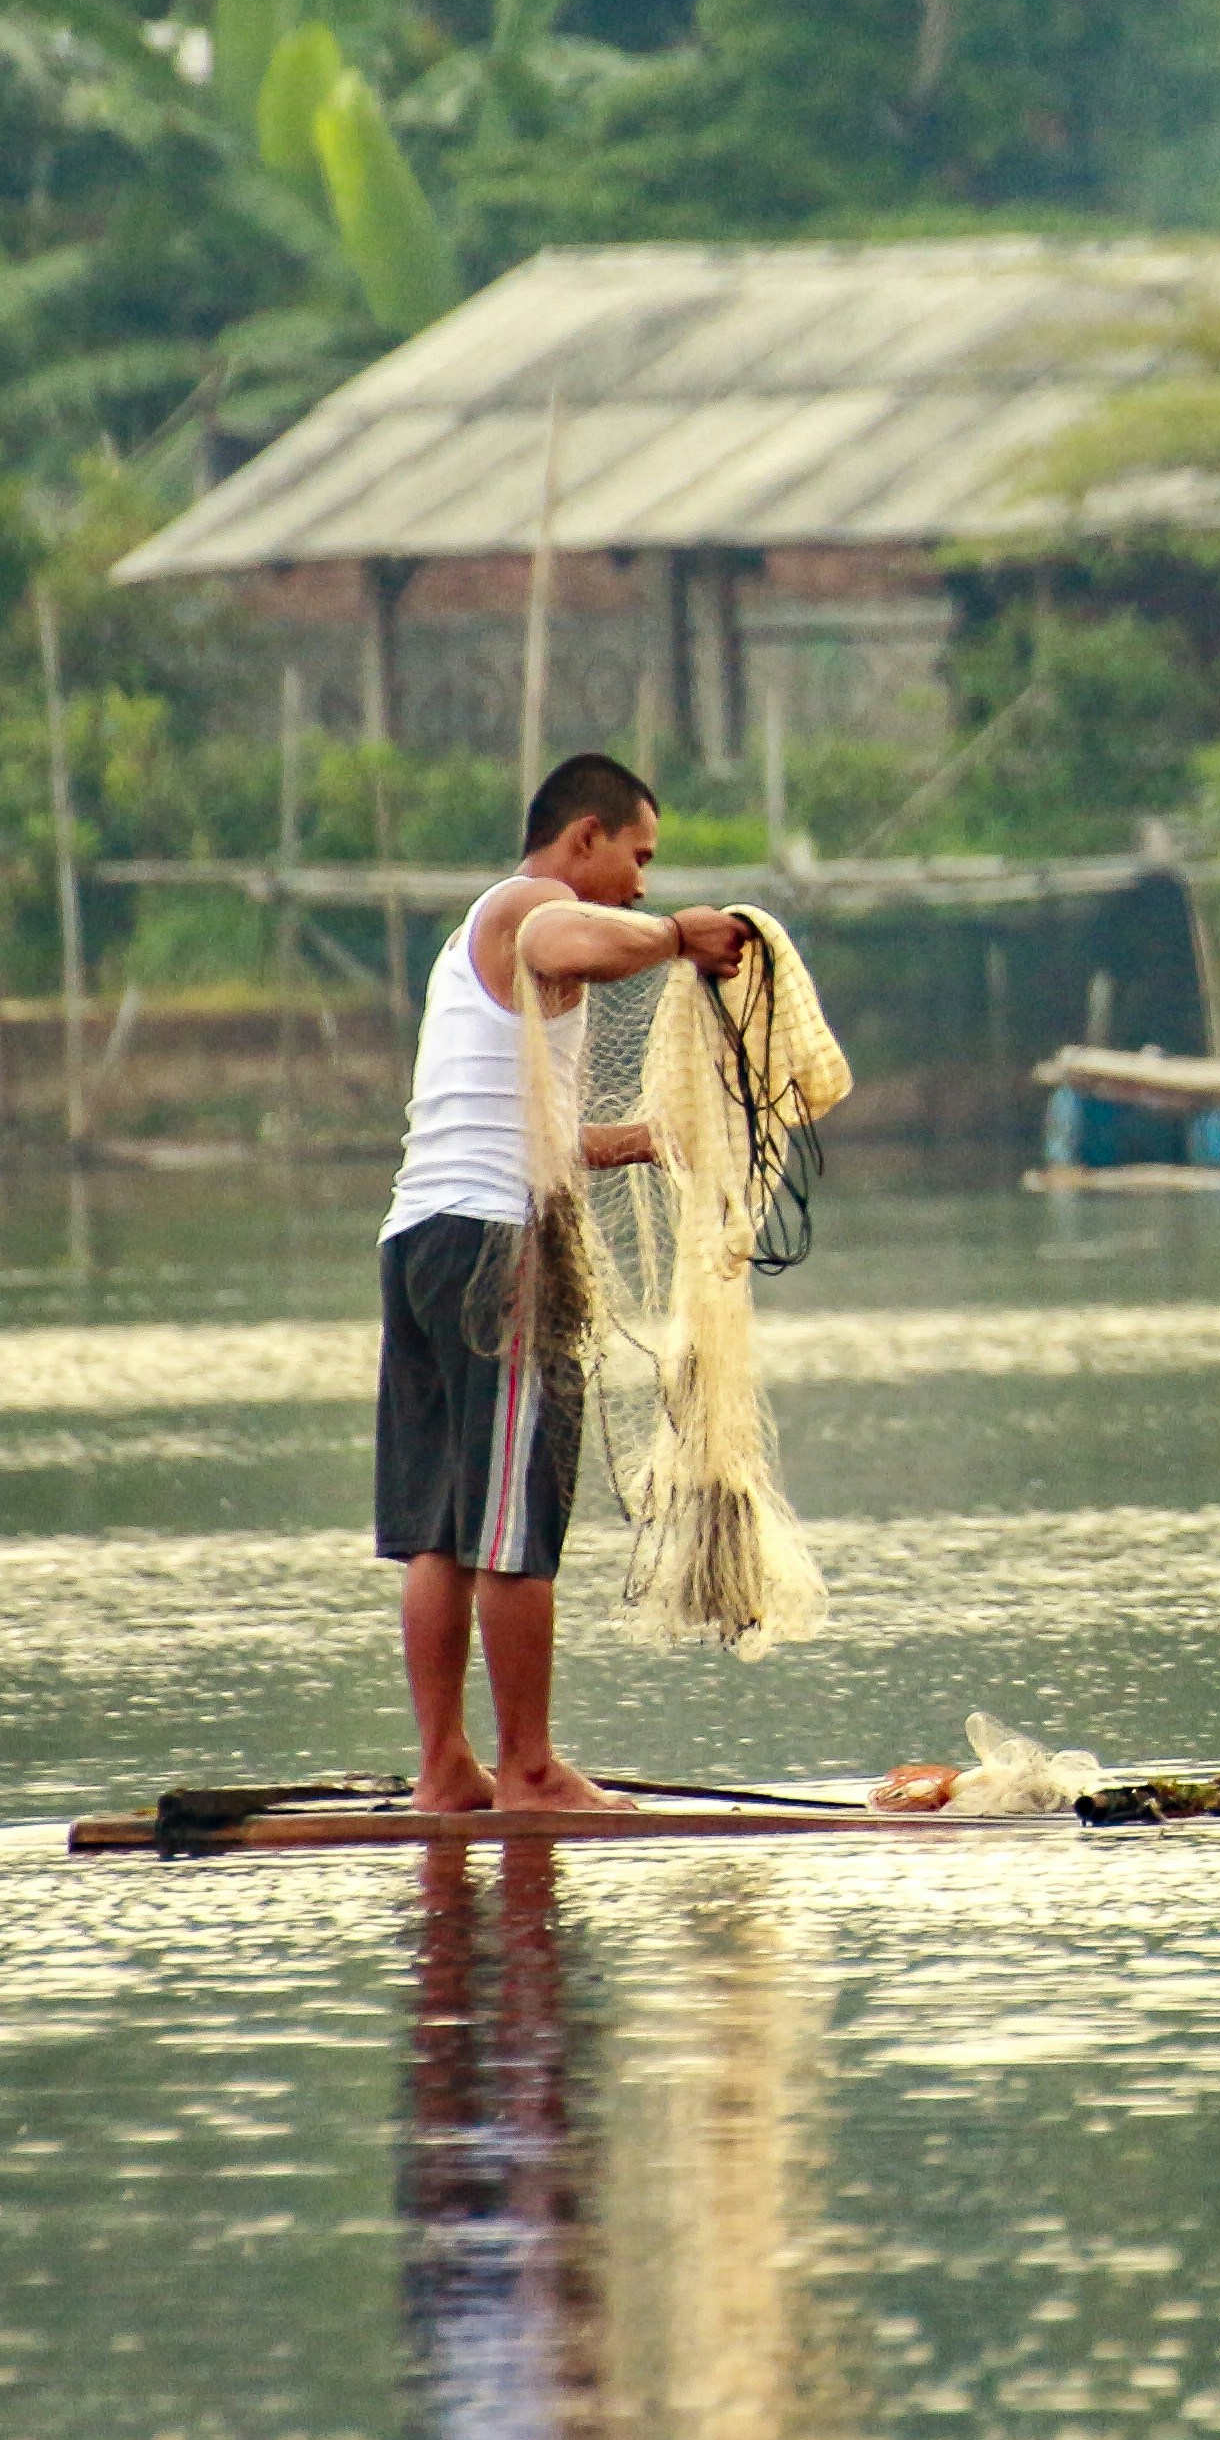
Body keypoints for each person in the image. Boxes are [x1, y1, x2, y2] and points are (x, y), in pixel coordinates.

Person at [380, 750, 749, 1813]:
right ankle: (530, 1772)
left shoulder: (476, 945)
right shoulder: (535, 907)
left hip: (421, 1243)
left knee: (444, 1530)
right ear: (582, 839)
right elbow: (582, 937)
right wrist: (679, 935)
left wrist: (643, 1139)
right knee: (513, 1527)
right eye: (637, 858)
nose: (641, 882)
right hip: (501, 1253)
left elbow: (532, 1133)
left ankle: (450, 1768)